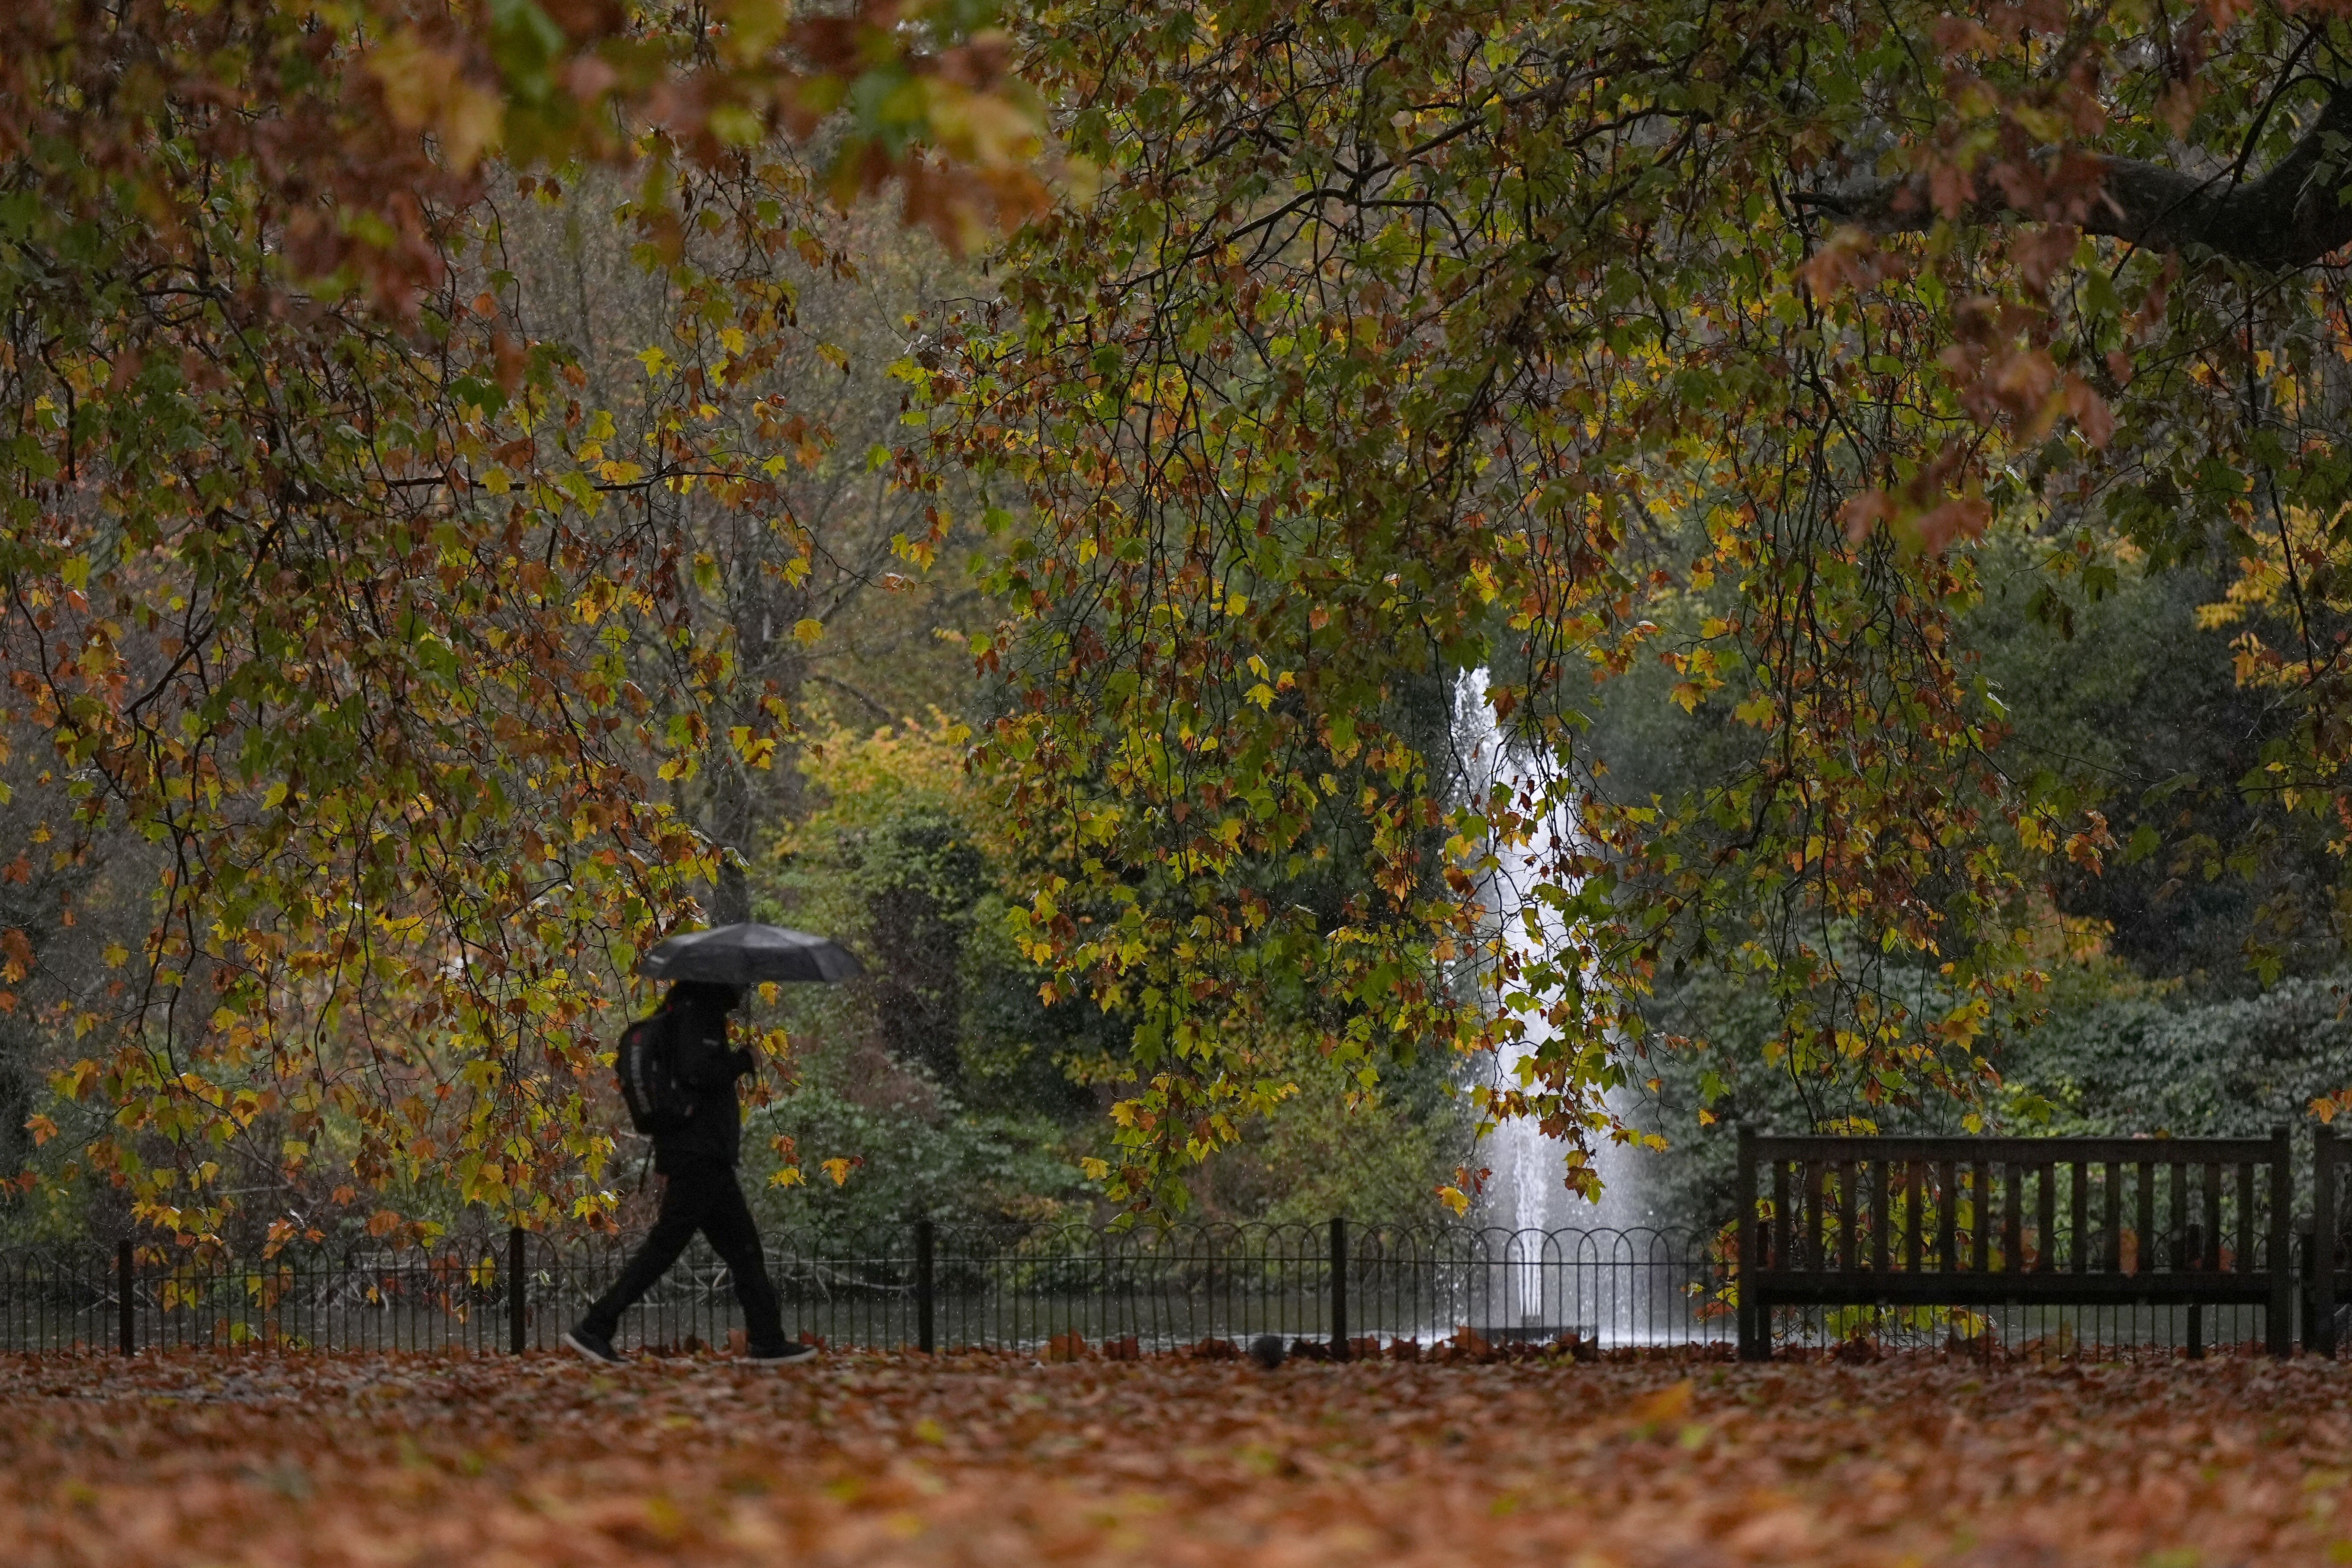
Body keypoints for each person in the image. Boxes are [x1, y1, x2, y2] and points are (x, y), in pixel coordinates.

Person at [564, 980, 814, 1365]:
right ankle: (596, 1326)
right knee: (672, 1250)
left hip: (693, 1153)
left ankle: (768, 1339)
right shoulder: (701, 1015)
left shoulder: (676, 1016)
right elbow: (700, 1072)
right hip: (700, 1156)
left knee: (742, 1251)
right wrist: (741, 1062)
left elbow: (689, 1072)